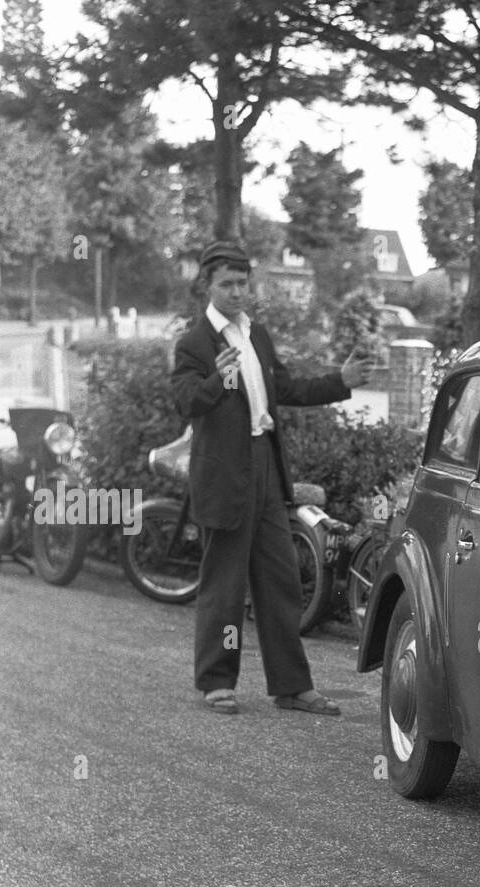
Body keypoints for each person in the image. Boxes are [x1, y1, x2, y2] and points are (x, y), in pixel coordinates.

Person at [170, 240, 374, 716]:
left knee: (281, 580)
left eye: (243, 283)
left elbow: (284, 389)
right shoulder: (194, 343)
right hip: (225, 475)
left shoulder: (256, 335)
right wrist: (216, 382)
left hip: (265, 468)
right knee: (223, 585)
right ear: (207, 285)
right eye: (228, 284)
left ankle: (292, 686)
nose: (238, 292)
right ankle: (217, 682)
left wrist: (339, 380)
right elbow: (185, 403)